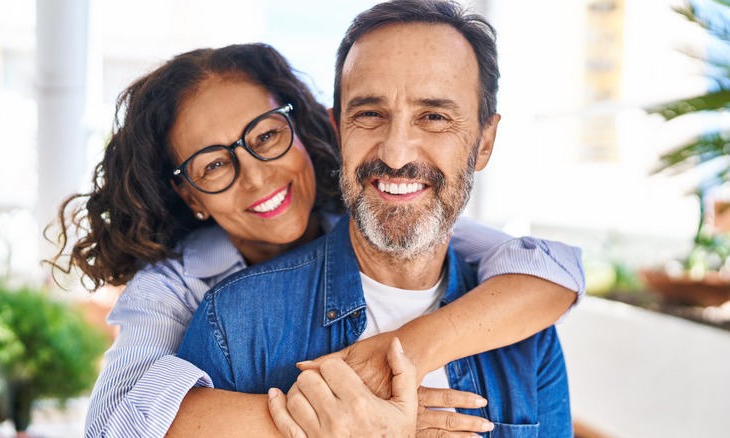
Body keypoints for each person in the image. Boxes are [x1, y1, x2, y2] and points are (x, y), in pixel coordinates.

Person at [47, 37, 583, 438]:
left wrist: (402, 353)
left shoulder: (375, 211)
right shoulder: (187, 295)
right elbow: (117, 420)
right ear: (191, 195)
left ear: (302, 127)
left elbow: (550, 271)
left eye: (266, 137)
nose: (256, 175)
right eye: (213, 165)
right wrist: (341, 418)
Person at [177, 0, 574, 436]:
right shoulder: (237, 321)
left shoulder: (528, 336)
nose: (395, 153)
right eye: (369, 114)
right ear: (338, 129)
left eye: (434, 117)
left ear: (483, 142)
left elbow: (561, 268)